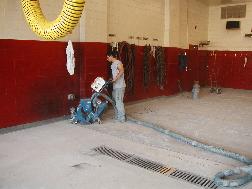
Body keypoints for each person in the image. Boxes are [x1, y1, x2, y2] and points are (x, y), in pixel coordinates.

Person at [107, 51, 126, 122]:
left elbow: (121, 71)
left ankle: (122, 118)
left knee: (118, 101)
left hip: (120, 86)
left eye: (108, 57)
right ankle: (118, 115)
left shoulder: (118, 62)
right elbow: (115, 74)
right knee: (115, 101)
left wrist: (115, 78)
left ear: (111, 56)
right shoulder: (112, 64)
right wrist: (111, 79)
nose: (107, 59)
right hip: (115, 86)